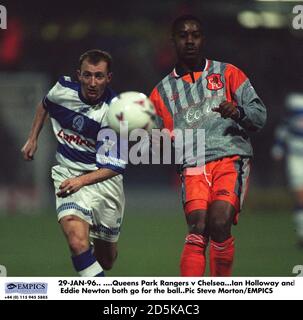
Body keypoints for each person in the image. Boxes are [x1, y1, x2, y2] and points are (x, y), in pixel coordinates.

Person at [150, 15, 267, 276]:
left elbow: (260, 116)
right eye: (183, 35)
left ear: (203, 39)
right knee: (198, 226)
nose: (189, 41)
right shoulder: (161, 93)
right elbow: (157, 144)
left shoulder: (228, 73)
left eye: (195, 35)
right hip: (192, 165)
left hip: (230, 158)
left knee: (219, 222)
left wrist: (237, 112)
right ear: (173, 41)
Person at [21, 49, 126, 276]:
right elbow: (45, 104)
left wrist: (82, 181)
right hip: (67, 173)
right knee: (77, 242)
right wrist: (32, 138)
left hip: (104, 181)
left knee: (106, 260)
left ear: (109, 78)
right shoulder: (62, 90)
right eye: (87, 75)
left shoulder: (115, 113)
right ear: (78, 75)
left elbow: (115, 166)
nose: (92, 82)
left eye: (99, 76)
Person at [272, 92, 303, 248]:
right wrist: (278, 148)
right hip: (296, 158)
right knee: (300, 198)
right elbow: (283, 130)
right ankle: (301, 235)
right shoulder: (292, 108)